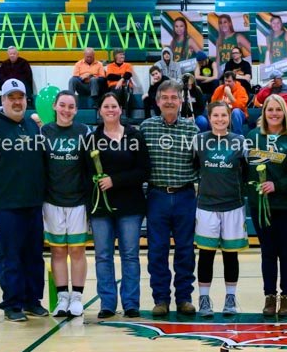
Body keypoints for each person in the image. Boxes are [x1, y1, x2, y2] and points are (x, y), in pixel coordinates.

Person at [0, 79, 47, 322]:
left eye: (21, 97)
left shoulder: (31, 124)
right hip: (4, 206)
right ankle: (12, 304)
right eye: (11, 97)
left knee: (34, 255)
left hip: (33, 203)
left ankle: (31, 300)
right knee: (10, 256)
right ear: (2, 100)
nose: (17, 102)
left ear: (26, 99)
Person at [140, 80, 200, 317]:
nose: (169, 101)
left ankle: (184, 297)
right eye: (164, 97)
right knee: (157, 250)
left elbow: (200, 164)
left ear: (180, 101)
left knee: (185, 250)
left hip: (185, 194)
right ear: (157, 101)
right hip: (157, 196)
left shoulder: (192, 130)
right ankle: (161, 299)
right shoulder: (146, 128)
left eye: (174, 97)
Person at [90, 92, 151, 319]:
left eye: (114, 106)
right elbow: (87, 171)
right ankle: (107, 303)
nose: (110, 110)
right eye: (106, 106)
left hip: (130, 206)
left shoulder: (134, 135)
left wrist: (114, 180)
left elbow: (143, 171)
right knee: (103, 255)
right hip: (101, 208)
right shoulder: (92, 139)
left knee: (130, 255)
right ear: (100, 110)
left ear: (120, 109)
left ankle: (131, 303)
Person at [245, 95, 287, 317]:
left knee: (286, 252)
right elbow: (245, 170)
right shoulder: (252, 137)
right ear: (263, 112)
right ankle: (270, 296)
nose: (274, 113)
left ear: (285, 113)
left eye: (279, 109)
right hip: (260, 206)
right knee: (267, 252)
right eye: (270, 110)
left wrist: (277, 185)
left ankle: (286, 297)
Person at [193, 101, 248, 318]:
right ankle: (204, 298)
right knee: (205, 255)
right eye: (215, 115)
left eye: (223, 116)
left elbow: (246, 171)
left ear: (229, 117)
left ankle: (230, 298)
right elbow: (195, 167)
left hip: (232, 206)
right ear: (209, 117)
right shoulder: (199, 141)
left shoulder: (239, 142)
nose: (220, 119)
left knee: (230, 256)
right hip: (206, 206)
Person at [41, 91, 92, 318]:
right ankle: (62, 297)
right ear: (54, 106)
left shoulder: (84, 132)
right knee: (58, 250)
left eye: (71, 106)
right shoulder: (44, 132)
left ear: (76, 110)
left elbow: (91, 166)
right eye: (62, 105)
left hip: (78, 201)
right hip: (52, 200)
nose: (66, 110)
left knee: (77, 250)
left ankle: (77, 298)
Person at [210, 70, 249, 135]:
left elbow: (240, 106)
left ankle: (238, 137)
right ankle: (215, 136)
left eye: (229, 81)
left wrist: (229, 94)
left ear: (234, 81)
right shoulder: (219, 89)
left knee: (236, 111)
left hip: (238, 115)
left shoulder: (241, 89)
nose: (227, 83)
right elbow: (212, 104)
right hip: (223, 114)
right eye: (225, 81)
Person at [105, 49, 136, 117]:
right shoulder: (110, 66)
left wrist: (121, 80)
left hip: (126, 86)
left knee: (128, 93)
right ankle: (117, 114)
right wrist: (122, 76)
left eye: (123, 54)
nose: (123, 56)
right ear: (116, 56)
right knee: (118, 90)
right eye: (121, 54)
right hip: (113, 86)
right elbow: (110, 76)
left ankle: (128, 117)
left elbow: (128, 74)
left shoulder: (127, 65)